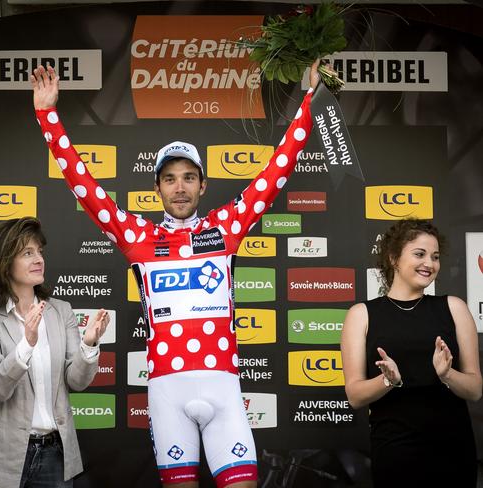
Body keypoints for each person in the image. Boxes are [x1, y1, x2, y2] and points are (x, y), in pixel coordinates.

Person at [31, 61, 320, 488]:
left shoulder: (225, 228)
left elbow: (277, 170)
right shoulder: (137, 236)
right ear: (158, 188)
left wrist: (310, 99)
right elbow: (83, 184)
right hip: (168, 392)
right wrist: (47, 116)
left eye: (188, 177)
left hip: (222, 388)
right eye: (170, 179)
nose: (180, 187)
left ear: (203, 185)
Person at [0, 217, 109, 488]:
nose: (38, 259)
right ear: (4, 262)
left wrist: (89, 345)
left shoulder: (60, 310)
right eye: (27, 253)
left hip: (55, 456)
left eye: (39, 252)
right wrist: (27, 344)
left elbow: (77, 381)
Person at [341, 218, 481, 487]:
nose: (430, 263)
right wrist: (387, 381)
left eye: (435, 256)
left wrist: (447, 374)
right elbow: (355, 395)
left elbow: (475, 389)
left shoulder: (454, 308)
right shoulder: (362, 315)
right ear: (394, 258)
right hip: (395, 452)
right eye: (419, 254)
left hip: (453, 450)